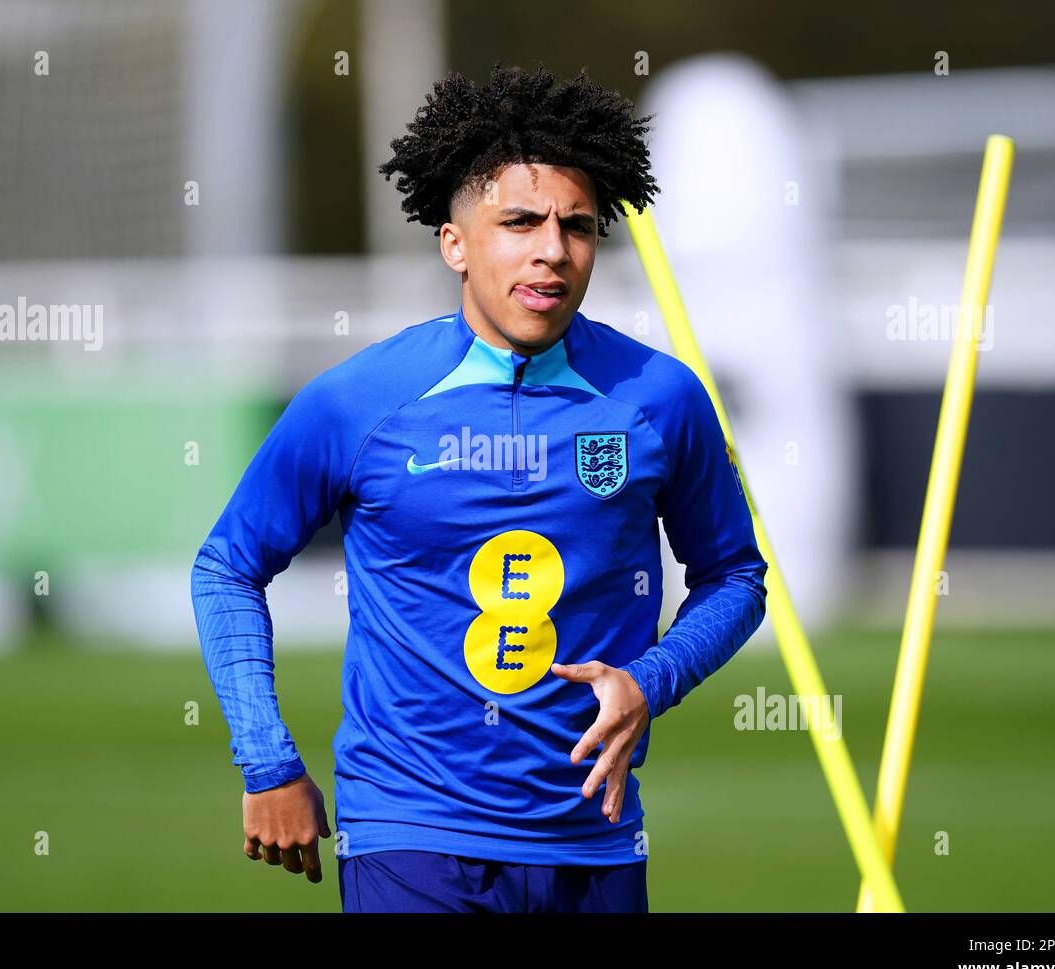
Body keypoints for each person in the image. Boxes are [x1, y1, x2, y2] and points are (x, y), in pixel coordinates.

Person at [190, 62, 767, 913]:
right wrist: (267, 758)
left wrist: (653, 678)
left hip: (595, 843)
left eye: (577, 226)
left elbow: (736, 576)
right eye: (521, 222)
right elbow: (227, 564)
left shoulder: (660, 396)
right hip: (410, 839)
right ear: (454, 242)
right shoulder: (359, 401)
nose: (553, 250)